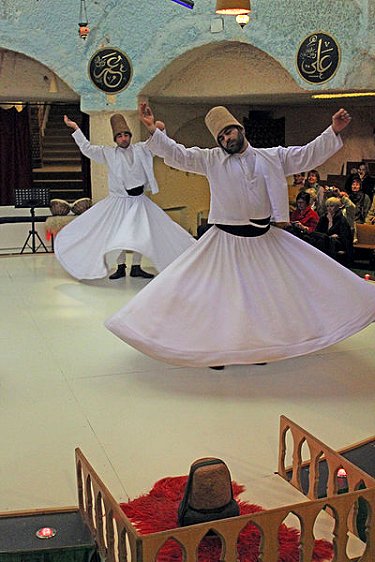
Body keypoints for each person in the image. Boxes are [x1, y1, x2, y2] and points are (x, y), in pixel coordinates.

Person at [105, 104, 375, 369]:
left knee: (260, 298)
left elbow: (306, 155)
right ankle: (215, 350)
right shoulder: (211, 159)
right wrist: (153, 131)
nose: (225, 139)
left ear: (239, 128)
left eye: (228, 133)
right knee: (219, 298)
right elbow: (180, 155)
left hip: (262, 240)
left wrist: (333, 131)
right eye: (220, 137)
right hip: (225, 241)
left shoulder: (272, 156)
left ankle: (254, 347)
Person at [54, 114, 196, 280]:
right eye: (120, 136)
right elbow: (87, 149)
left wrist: (161, 129)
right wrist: (76, 129)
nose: (123, 138)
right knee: (118, 233)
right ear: (115, 139)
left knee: (141, 233)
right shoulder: (108, 153)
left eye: (126, 135)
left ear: (130, 136)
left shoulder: (142, 148)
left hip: (140, 200)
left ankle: (136, 267)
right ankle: (121, 267)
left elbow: (159, 145)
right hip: (118, 201)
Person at [304, 197, 353, 266]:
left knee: (325, 240)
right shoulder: (323, 217)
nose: (329, 208)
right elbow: (317, 231)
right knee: (316, 238)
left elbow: (345, 236)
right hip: (324, 239)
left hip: (337, 242)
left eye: (332, 206)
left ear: (337, 207)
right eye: (327, 206)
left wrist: (336, 236)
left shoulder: (341, 219)